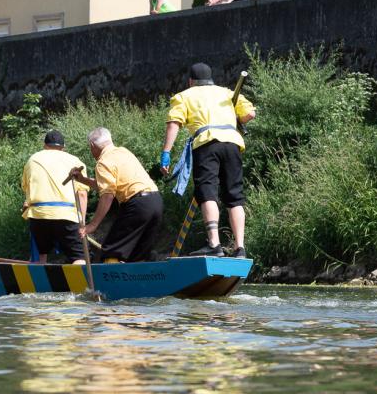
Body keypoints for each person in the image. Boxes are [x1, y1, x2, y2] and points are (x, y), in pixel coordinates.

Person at [160, 62, 256, 258]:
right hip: (232, 144)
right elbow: (249, 114)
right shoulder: (228, 93)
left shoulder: (184, 96)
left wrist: (166, 153)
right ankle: (240, 248)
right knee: (234, 196)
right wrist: (235, 120)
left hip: (207, 144)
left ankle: (214, 244)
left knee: (208, 193)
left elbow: (174, 124)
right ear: (211, 79)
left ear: (191, 81)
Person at [67, 128, 163, 263]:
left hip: (138, 205)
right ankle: (144, 279)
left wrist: (93, 225)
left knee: (111, 251)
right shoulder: (124, 152)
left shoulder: (103, 162)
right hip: (155, 201)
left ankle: (111, 281)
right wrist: (83, 180)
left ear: (92, 146)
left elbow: (107, 195)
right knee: (139, 252)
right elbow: (110, 185)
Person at [21, 130, 88, 264]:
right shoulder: (75, 161)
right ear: (63, 147)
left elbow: (27, 187)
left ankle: (38, 282)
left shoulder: (32, 159)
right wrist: (82, 223)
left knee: (39, 256)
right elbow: (81, 193)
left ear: (45, 145)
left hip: (39, 214)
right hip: (67, 214)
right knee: (79, 257)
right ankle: (83, 283)